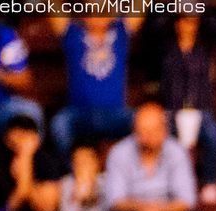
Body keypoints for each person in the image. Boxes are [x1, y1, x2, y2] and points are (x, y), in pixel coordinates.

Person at [48, 16, 144, 155]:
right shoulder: (72, 34)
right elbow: (53, 8)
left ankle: (131, 166)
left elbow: (140, 7)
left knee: (144, 121)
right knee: (60, 123)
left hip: (117, 114)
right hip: (80, 114)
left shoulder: (120, 32)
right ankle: (69, 166)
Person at [159, 15, 216, 205]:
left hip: (200, 108)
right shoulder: (167, 49)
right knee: (166, 135)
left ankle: (210, 182)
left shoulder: (204, 50)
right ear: (176, 24)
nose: (187, 26)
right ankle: (170, 184)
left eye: (192, 21)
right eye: (183, 21)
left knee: (213, 133)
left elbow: (213, 24)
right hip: (173, 108)